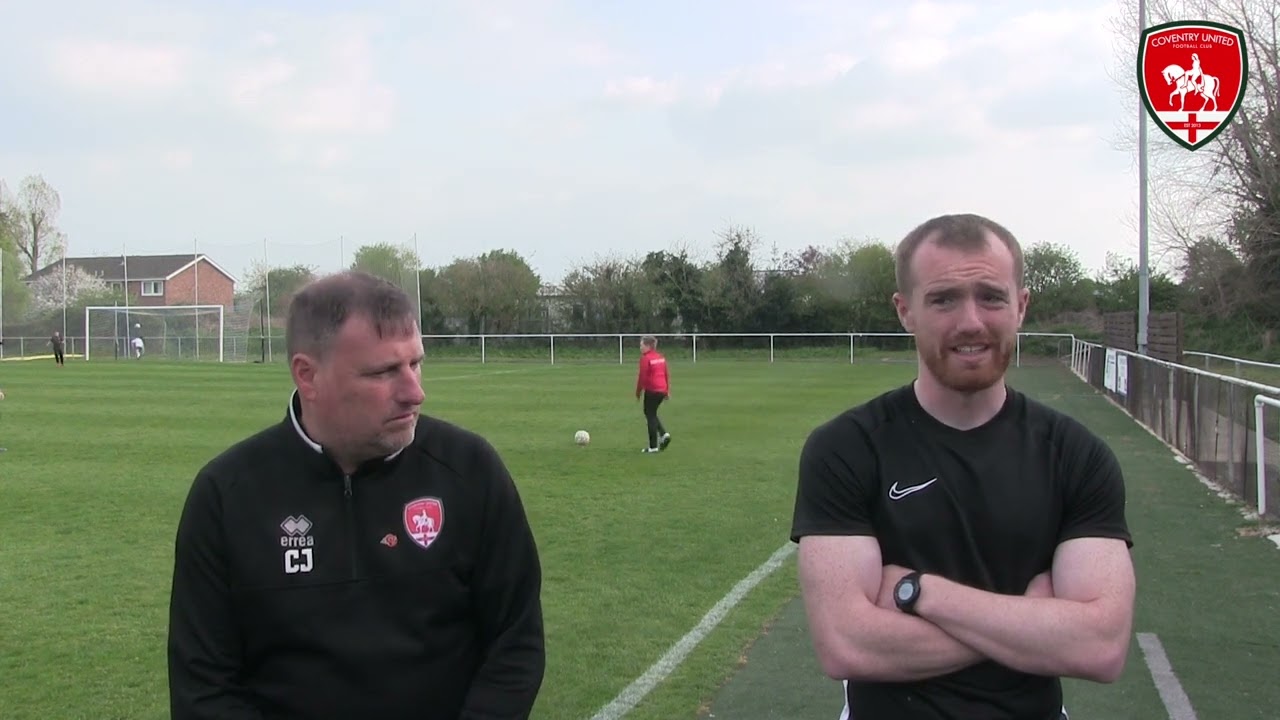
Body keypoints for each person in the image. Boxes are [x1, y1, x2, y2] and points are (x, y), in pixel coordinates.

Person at [790, 213, 1135, 720]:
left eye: (991, 296)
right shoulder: (845, 449)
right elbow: (846, 646)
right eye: (944, 298)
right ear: (905, 311)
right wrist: (1034, 621)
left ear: (1020, 306)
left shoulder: (1076, 454)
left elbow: (1099, 647)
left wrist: (920, 593)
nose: (970, 321)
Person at [167, 270, 546, 719]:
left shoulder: (469, 470)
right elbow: (204, 686)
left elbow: (515, 641)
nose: (415, 392)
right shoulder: (226, 496)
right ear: (308, 376)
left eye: (416, 363)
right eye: (384, 371)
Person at [634, 335, 671, 453]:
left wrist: (638, 391)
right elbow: (666, 374)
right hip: (661, 389)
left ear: (648, 346)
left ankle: (653, 447)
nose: (640, 347)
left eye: (641, 345)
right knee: (652, 413)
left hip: (652, 390)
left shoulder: (645, 358)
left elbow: (642, 377)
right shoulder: (660, 357)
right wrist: (667, 391)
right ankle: (664, 435)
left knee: (649, 414)